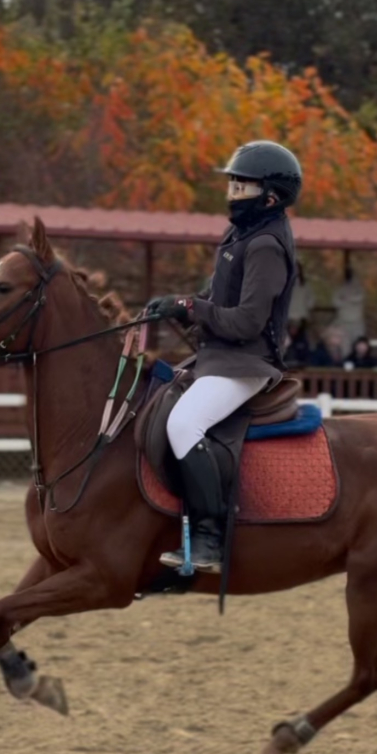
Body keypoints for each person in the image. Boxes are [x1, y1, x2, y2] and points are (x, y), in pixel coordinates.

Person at [147, 140, 300, 573]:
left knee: (184, 422)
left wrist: (194, 309)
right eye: (232, 182)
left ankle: (211, 537)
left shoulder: (266, 245)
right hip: (220, 358)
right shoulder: (241, 233)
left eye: (242, 184)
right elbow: (218, 301)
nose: (232, 190)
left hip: (245, 363)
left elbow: (247, 322)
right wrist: (181, 303)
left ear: (270, 196)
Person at [332, 266, 365, 356]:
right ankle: (345, 365)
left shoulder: (358, 288)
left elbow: (359, 298)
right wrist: (346, 300)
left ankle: (358, 364)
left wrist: (345, 299)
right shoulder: (340, 288)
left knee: (359, 344)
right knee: (344, 345)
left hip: (356, 322)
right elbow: (336, 302)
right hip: (343, 321)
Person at [288, 262, 315, 327]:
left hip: (302, 316)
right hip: (289, 317)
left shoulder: (305, 285)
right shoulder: (286, 285)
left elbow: (311, 300)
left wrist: (305, 306)